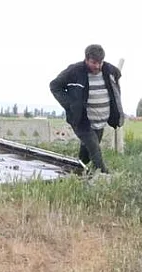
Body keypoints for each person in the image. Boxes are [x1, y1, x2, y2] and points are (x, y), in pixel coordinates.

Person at [50, 44, 125, 174]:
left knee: (86, 154)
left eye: (100, 62)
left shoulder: (110, 71)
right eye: (94, 62)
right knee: (94, 148)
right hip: (81, 119)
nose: (97, 66)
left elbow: (117, 80)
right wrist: (70, 104)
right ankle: (104, 175)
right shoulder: (74, 71)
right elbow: (54, 85)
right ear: (86, 59)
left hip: (100, 121)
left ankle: (75, 173)